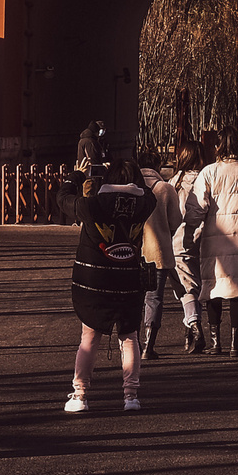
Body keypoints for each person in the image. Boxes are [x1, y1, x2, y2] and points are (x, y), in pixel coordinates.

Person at [66, 153, 157, 414]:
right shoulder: (145, 204)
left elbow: (63, 198)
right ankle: (131, 396)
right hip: (129, 280)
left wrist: (77, 176)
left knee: (89, 336)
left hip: (95, 281)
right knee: (129, 336)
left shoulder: (91, 205)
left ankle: (80, 394)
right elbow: (147, 193)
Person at [184, 129, 238, 355]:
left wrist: (190, 228)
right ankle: (236, 342)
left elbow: (197, 207)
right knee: (237, 289)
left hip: (215, 239)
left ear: (218, 147)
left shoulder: (209, 172)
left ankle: (216, 343)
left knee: (213, 288)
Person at [134, 146, 180, 359]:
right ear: (158, 166)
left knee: (135, 298)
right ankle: (148, 345)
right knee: (154, 298)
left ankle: (132, 344)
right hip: (157, 252)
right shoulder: (165, 188)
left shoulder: (132, 187)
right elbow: (175, 221)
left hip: (133, 253)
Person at [167, 143, 208, 351]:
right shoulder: (207, 179)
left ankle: (194, 325)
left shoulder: (173, 183)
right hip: (207, 240)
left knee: (186, 287)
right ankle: (189, 334)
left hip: (180, 240)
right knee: (198, 285)